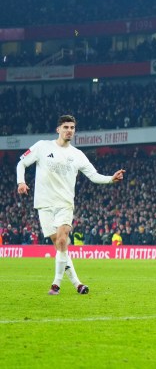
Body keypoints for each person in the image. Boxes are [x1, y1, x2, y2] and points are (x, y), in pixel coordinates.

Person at [16, 115, 125, 295]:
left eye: (72, 127)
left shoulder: (77, 155)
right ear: (58, 129)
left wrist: (111, 179)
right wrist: (21, 182)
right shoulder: (42, 146)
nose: (69, 130)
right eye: (66, 127)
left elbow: (94, 175)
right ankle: (77, 283)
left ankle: (56, 284)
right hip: (44, 204)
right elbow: (22, 163)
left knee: (61, 239)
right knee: (60, 246)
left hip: (65, 204)